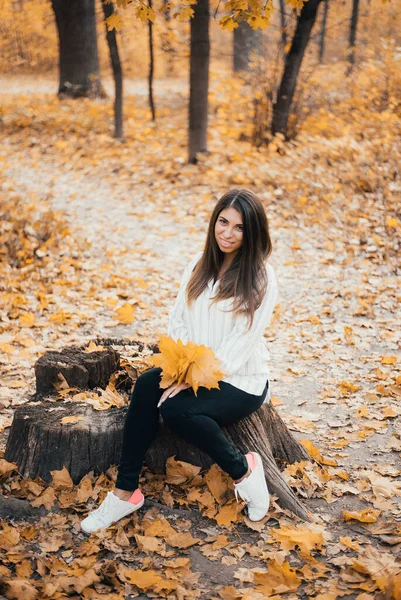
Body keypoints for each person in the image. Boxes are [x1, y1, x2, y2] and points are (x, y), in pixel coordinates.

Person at [81, 188, 279, 534]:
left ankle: (245, 471)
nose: (227, 233)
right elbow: (178, 321)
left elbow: (241, 343)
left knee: (176, 410)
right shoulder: (199, 266)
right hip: (192, 367)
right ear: (214, 221)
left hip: (241, 379)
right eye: (223, 222)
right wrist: (179, 370)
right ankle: (125, 493)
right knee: (146, 385)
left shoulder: (261, 278)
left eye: (239, 228)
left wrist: (192, 378)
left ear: (253, 233)